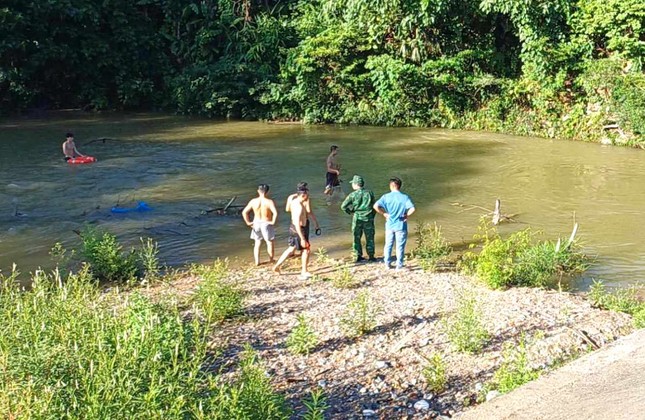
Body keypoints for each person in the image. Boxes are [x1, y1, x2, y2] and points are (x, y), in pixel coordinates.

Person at [373, 177, 415, 270]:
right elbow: (412, 208)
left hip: (389, 225)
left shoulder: (386, 197)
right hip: (401, 225)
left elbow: (375, 206)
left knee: (388, 244)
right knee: (400, 246)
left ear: (391, 186)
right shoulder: (404, 197)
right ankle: (399, 265)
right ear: (399, 186)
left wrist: (384, 213)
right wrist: (406, 216)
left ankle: (387, 264)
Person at [273, 189, 313, 280]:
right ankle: (304, 271)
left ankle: (277, 266)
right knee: (306, 249)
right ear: (303, 195)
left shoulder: (293, 201)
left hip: (293, 228)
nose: (308, 198)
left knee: (291, 249)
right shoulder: (299, 206)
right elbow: (296, 222)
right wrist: (302, 238)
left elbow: (287, 209)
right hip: (298, 229)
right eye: (307, 196)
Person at [341, 175, 376, 262]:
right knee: (370, 237)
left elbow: (343, 206)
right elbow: (374, 206)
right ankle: (371, 256)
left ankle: (357, 256)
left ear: (356, 184)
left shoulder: (352, 195)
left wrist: (350, 212)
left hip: (357, 218)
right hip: (368, 218)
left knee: (356, 237)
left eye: (352, 183)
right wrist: (372, 215)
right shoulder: (369, 193)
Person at [242, 184, 278, 266]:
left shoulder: (253, 201)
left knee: (257, 242)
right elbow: (275, 213)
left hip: (256, 222)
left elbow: (244, 212)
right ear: (267, 192)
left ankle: (257, 261)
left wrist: (248, 222)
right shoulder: (269, 202)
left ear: (258, 191)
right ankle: (271, 259)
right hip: (266, 222)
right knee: (269, 242)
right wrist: (273, 221)